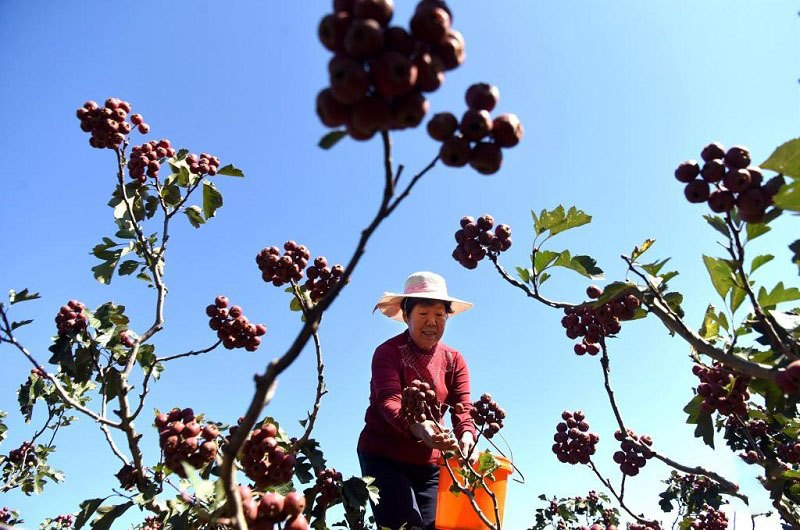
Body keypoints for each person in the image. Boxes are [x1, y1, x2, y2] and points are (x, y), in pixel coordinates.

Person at [357, 271, 477, 530]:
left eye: (439, 315)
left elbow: (463, 409)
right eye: (423, 314)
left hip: (429, 463)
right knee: (406, 525)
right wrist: (419, 428)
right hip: (382, 455)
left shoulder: (454, 360)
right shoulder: (387, 353)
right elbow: (389, 401)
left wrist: (466, 435)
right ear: (406, 316)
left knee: (436, 525)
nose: (432, 322)